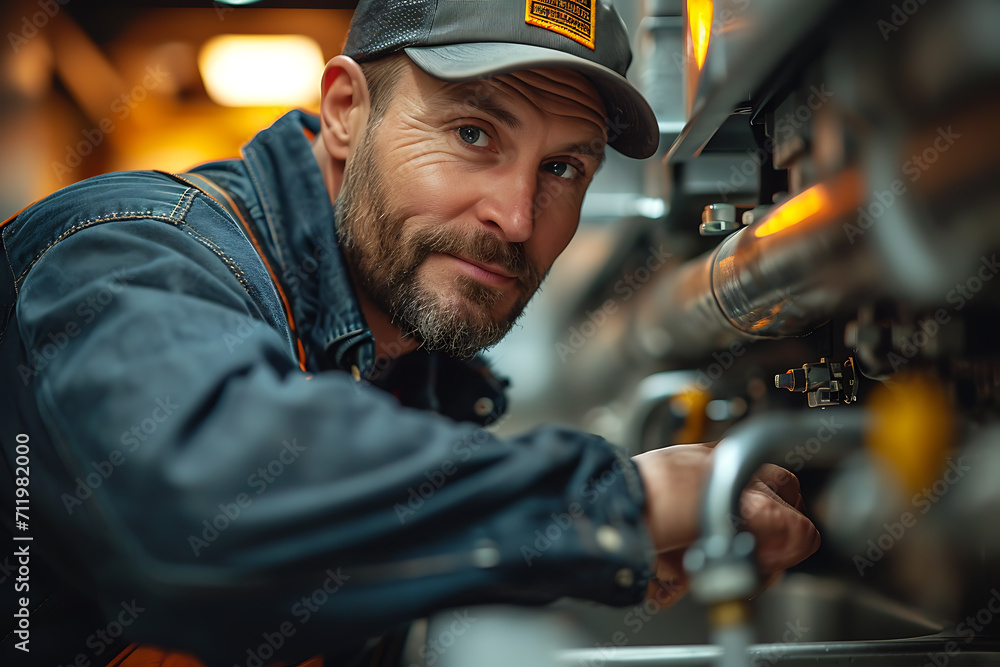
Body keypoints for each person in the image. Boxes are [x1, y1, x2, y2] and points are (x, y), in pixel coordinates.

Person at [0, 1, 819, 665]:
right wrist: (621, 504)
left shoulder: (410, 375)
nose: (517, 214)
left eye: (565, 166)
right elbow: (197, 513)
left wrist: (581, 549)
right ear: (347, 110)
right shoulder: (129, 246)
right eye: (473, 134)